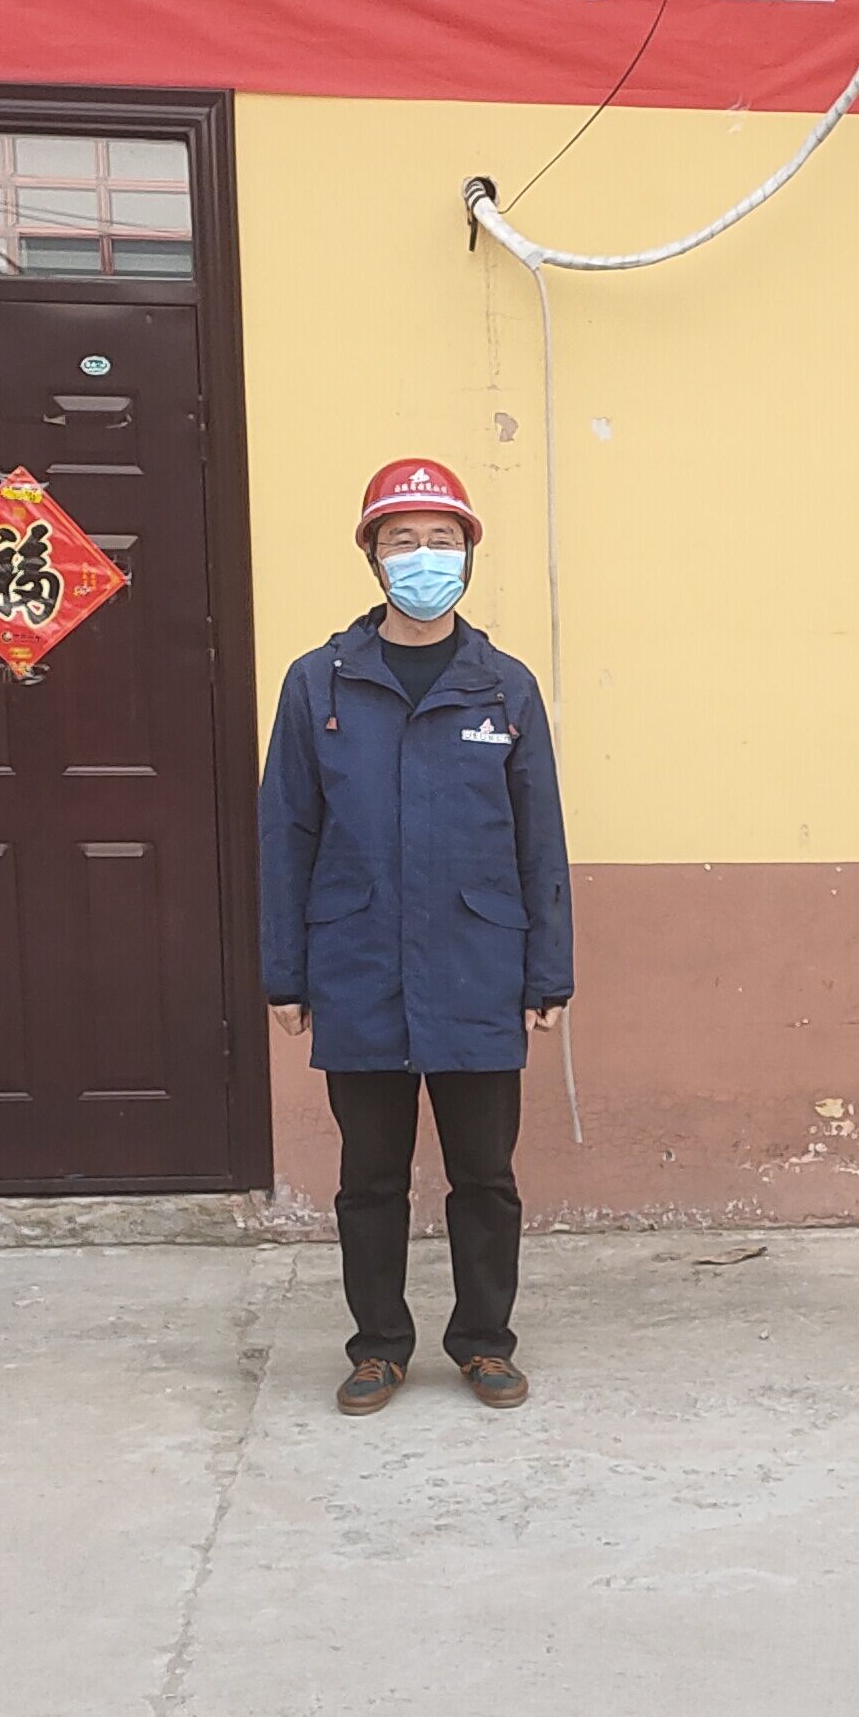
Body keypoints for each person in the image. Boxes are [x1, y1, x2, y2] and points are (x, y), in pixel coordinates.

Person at [261, 457, 572, 1413]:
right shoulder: (319, 684)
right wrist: (285, 975)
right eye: (403, 541)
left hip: (478, 966)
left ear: (468, 556)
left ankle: (483, 1341)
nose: (424, 557)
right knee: (369, 1178)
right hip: (358, 966)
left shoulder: (503, 689)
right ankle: (379, 1347)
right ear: (373, 556)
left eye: (442, 540)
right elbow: (287, 834)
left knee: (485, 1175)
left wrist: (548, 973)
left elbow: (539, 839)